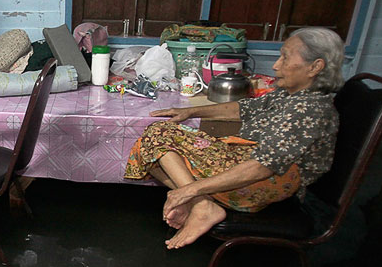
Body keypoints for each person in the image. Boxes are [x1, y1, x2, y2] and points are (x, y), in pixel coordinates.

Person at [124, 28, 344, 249]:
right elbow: (244, 108)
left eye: (285, 57)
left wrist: (188, 190)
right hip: (246, 159)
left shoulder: (309, 110)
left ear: (315, 67)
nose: (276, 65)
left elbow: (261, 168)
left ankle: (199, 203)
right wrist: (191, 112)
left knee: (156, 139)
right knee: (152, 146)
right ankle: (203, 205)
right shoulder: (290, 95)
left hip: (268, 182)